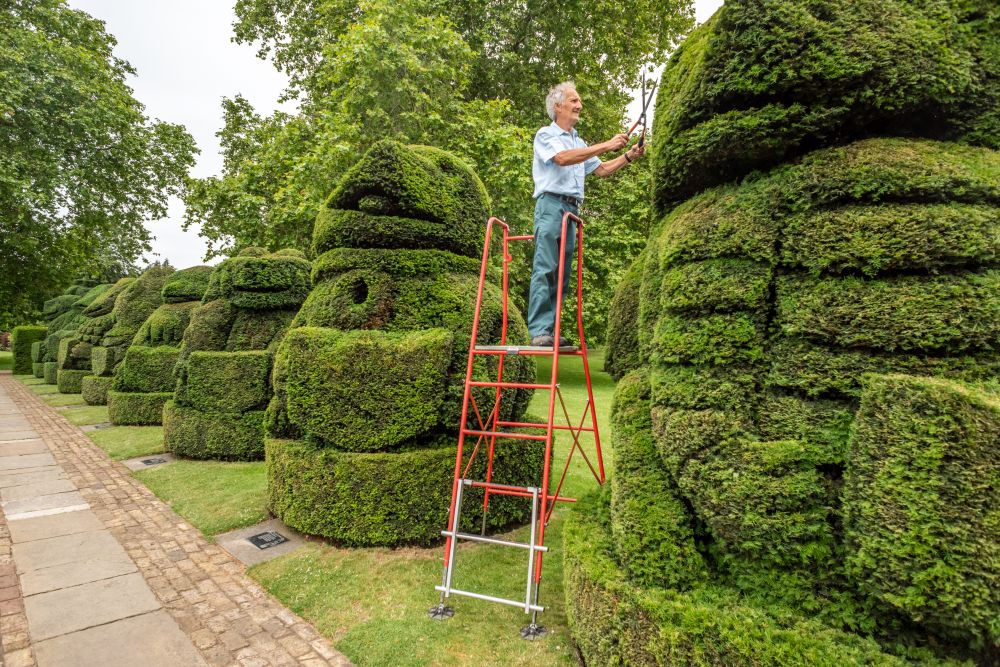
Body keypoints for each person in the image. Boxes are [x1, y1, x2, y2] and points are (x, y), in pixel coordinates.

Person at [528, 81, 645, 348]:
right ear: (557, 106)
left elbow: (601, 170)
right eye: (574, 101)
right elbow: (562, 159)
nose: (579, 105)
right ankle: (539, 330)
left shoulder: (578, 141)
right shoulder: (546, 135)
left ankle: (552, 331)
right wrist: (606, 144)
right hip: (550, 205)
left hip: (571, 210)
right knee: (545, 267)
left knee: (562, 275)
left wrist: (627, 155)